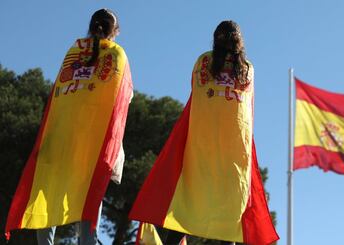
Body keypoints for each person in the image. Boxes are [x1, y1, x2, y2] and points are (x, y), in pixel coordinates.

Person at [129, 20, 279, 245]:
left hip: (200, 146)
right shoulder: (248, 69)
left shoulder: (203, 62)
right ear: (239, 42)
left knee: (187, 207)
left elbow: (195, 90)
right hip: (233, 154)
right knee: (229, 219)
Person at [5, 9, 133, 245]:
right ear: (115, 32)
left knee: (50, 193)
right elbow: (123, 98)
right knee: (89, 198)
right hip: (93, 141)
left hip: (60, 136)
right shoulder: (117, 54)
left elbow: (58, 95)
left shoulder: (73, 52)